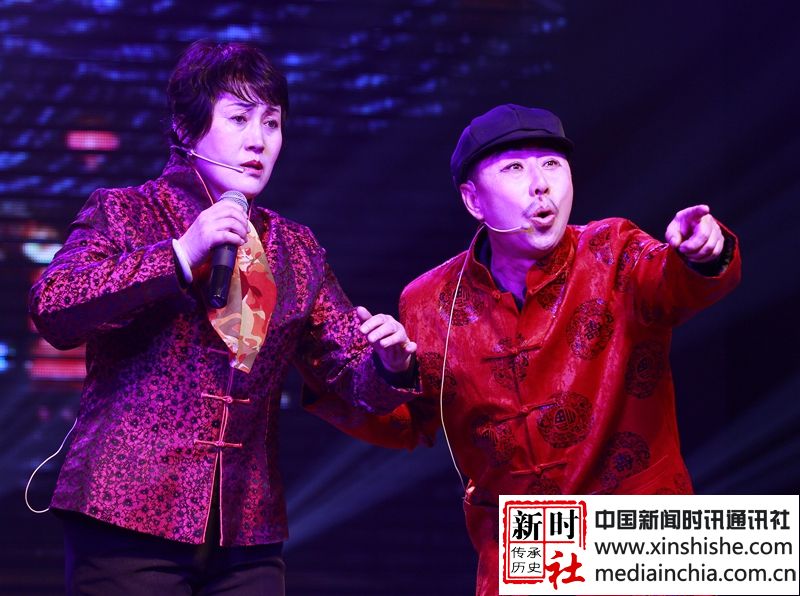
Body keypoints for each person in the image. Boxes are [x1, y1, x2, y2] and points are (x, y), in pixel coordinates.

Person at [27, 40, 417, 595]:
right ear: (186, 128)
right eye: (239, 119)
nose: (259, 140)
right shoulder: (127, 212)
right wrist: (179, 254)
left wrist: (390, 363)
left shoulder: (295, 248)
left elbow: (351, 377)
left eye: (272, 123)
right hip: (125, 515)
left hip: (245, 531)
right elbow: (53, 307)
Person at [307, 103, 741, 595]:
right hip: (522, 555)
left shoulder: (614, 250)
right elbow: (411, 424)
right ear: (473, 200)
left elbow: (673, 281)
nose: (540, 185)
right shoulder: (429, 301)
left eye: (552, 164)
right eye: (514, 168)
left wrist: (703, 252)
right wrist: (393, 371)